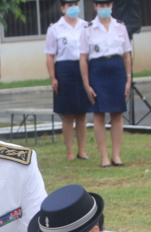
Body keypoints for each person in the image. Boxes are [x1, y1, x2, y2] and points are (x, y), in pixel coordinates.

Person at [79, 0, 131, 167]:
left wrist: (128, 78)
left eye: (107, 5)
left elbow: (126, 55)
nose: (104, 9)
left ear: (112, 6)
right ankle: (104, 157)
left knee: (117, 113)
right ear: (95, 7)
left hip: (116, 70)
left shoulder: (120, 26)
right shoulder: (88, 29)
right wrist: (86, 84)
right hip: (98, 71)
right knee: (99, 114)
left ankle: (116, 155)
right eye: (101, 6)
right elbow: (83, 59)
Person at [45, 0, 91, 162]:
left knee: (81, 113)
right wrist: (53, 77)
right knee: (68, 114)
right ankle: (70, 152)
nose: (73, 8)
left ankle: (82, 150)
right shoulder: (55, 29)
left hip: (83, 68)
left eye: (75, 4)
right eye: (69, 5)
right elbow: (50, 55)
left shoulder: (86, 26)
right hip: (64, 70)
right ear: (63, 8)